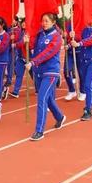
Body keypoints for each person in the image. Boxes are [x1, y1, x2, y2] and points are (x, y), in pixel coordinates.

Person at [25, 12, 66, 141]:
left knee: (42, 98)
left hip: (51, 72)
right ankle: (59, 117)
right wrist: (26, 41)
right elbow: (33, 48)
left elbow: (47, 53)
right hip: (39, 72)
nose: (44, 23)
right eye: (43, 21)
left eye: (47, 21)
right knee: (47, 99)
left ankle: (39, 130)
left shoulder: (56, 37)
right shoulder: (40, 34)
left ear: (54, 22)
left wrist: (33, 62)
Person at [70, 11, 92, 121]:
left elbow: (91, 40)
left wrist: (79, 43)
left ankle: (88, 110)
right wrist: (73, 36)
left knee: (88, 84)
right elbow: (79, 38)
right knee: (87, 83)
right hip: (84, 59)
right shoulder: (85, 30)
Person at [7, 17, 26, 99]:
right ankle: (16, 91)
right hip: (21, 56)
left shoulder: (30, 32)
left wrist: (15, 44)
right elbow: (18, 40)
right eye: (23, 22)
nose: (24, 24)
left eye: (26, 23)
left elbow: (22, 42)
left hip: (30, 57)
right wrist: (11, 38)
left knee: (34, 75)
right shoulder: (21, 32)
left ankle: (38, 89)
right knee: (19, 74)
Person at [0, 17, 10, 101]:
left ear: (2, 25)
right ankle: (4, 88)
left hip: (2, 61)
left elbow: (2, 48)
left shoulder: (6, 36)